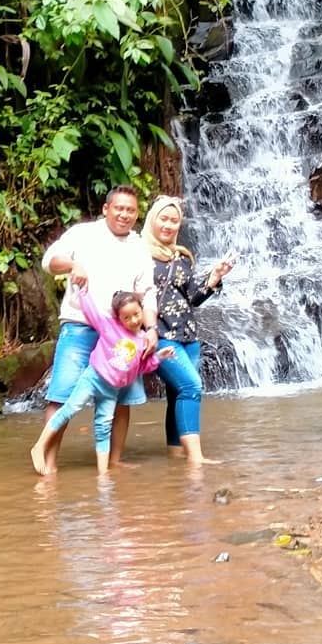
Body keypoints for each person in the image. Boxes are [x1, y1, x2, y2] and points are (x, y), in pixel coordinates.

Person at [40, 186, 158, 472]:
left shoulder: (139, 246)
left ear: (137, 214)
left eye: (131, 210)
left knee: (122, 398)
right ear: (106, 209)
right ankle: (48, 463)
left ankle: (114, 462)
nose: (124, 215)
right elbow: (49, 263)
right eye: (119, 208)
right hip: (81, 326)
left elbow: (147, 292)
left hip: (123, 334)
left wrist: (151, 328)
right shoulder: (82, 234)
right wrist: (73, 263)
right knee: (62, 393)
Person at [30, 287, 173, 476]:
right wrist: (82, 291)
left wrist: (159, 357)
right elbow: (92, 312)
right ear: (118, 318)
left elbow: (140, 367)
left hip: (112, 390)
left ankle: (103, 473)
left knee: (103, 426)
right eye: (127, 318)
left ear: (142, 310)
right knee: (69, 409)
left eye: (136, 314)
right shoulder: (110, 327)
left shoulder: (142, 340)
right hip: (93, 379)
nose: (133, 320)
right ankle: (39, 446)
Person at [142, 195, 233, 465]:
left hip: (188, 338)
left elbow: (191, 297)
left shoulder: (182, 257)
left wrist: (215, 277)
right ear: (152, 220)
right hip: (159, 336)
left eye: (174, 221)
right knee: (191, 386)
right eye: (164, 219)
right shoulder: (138, 255)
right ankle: (196, 459)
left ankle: (176, 456)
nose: (169, 225)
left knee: (176, 393)